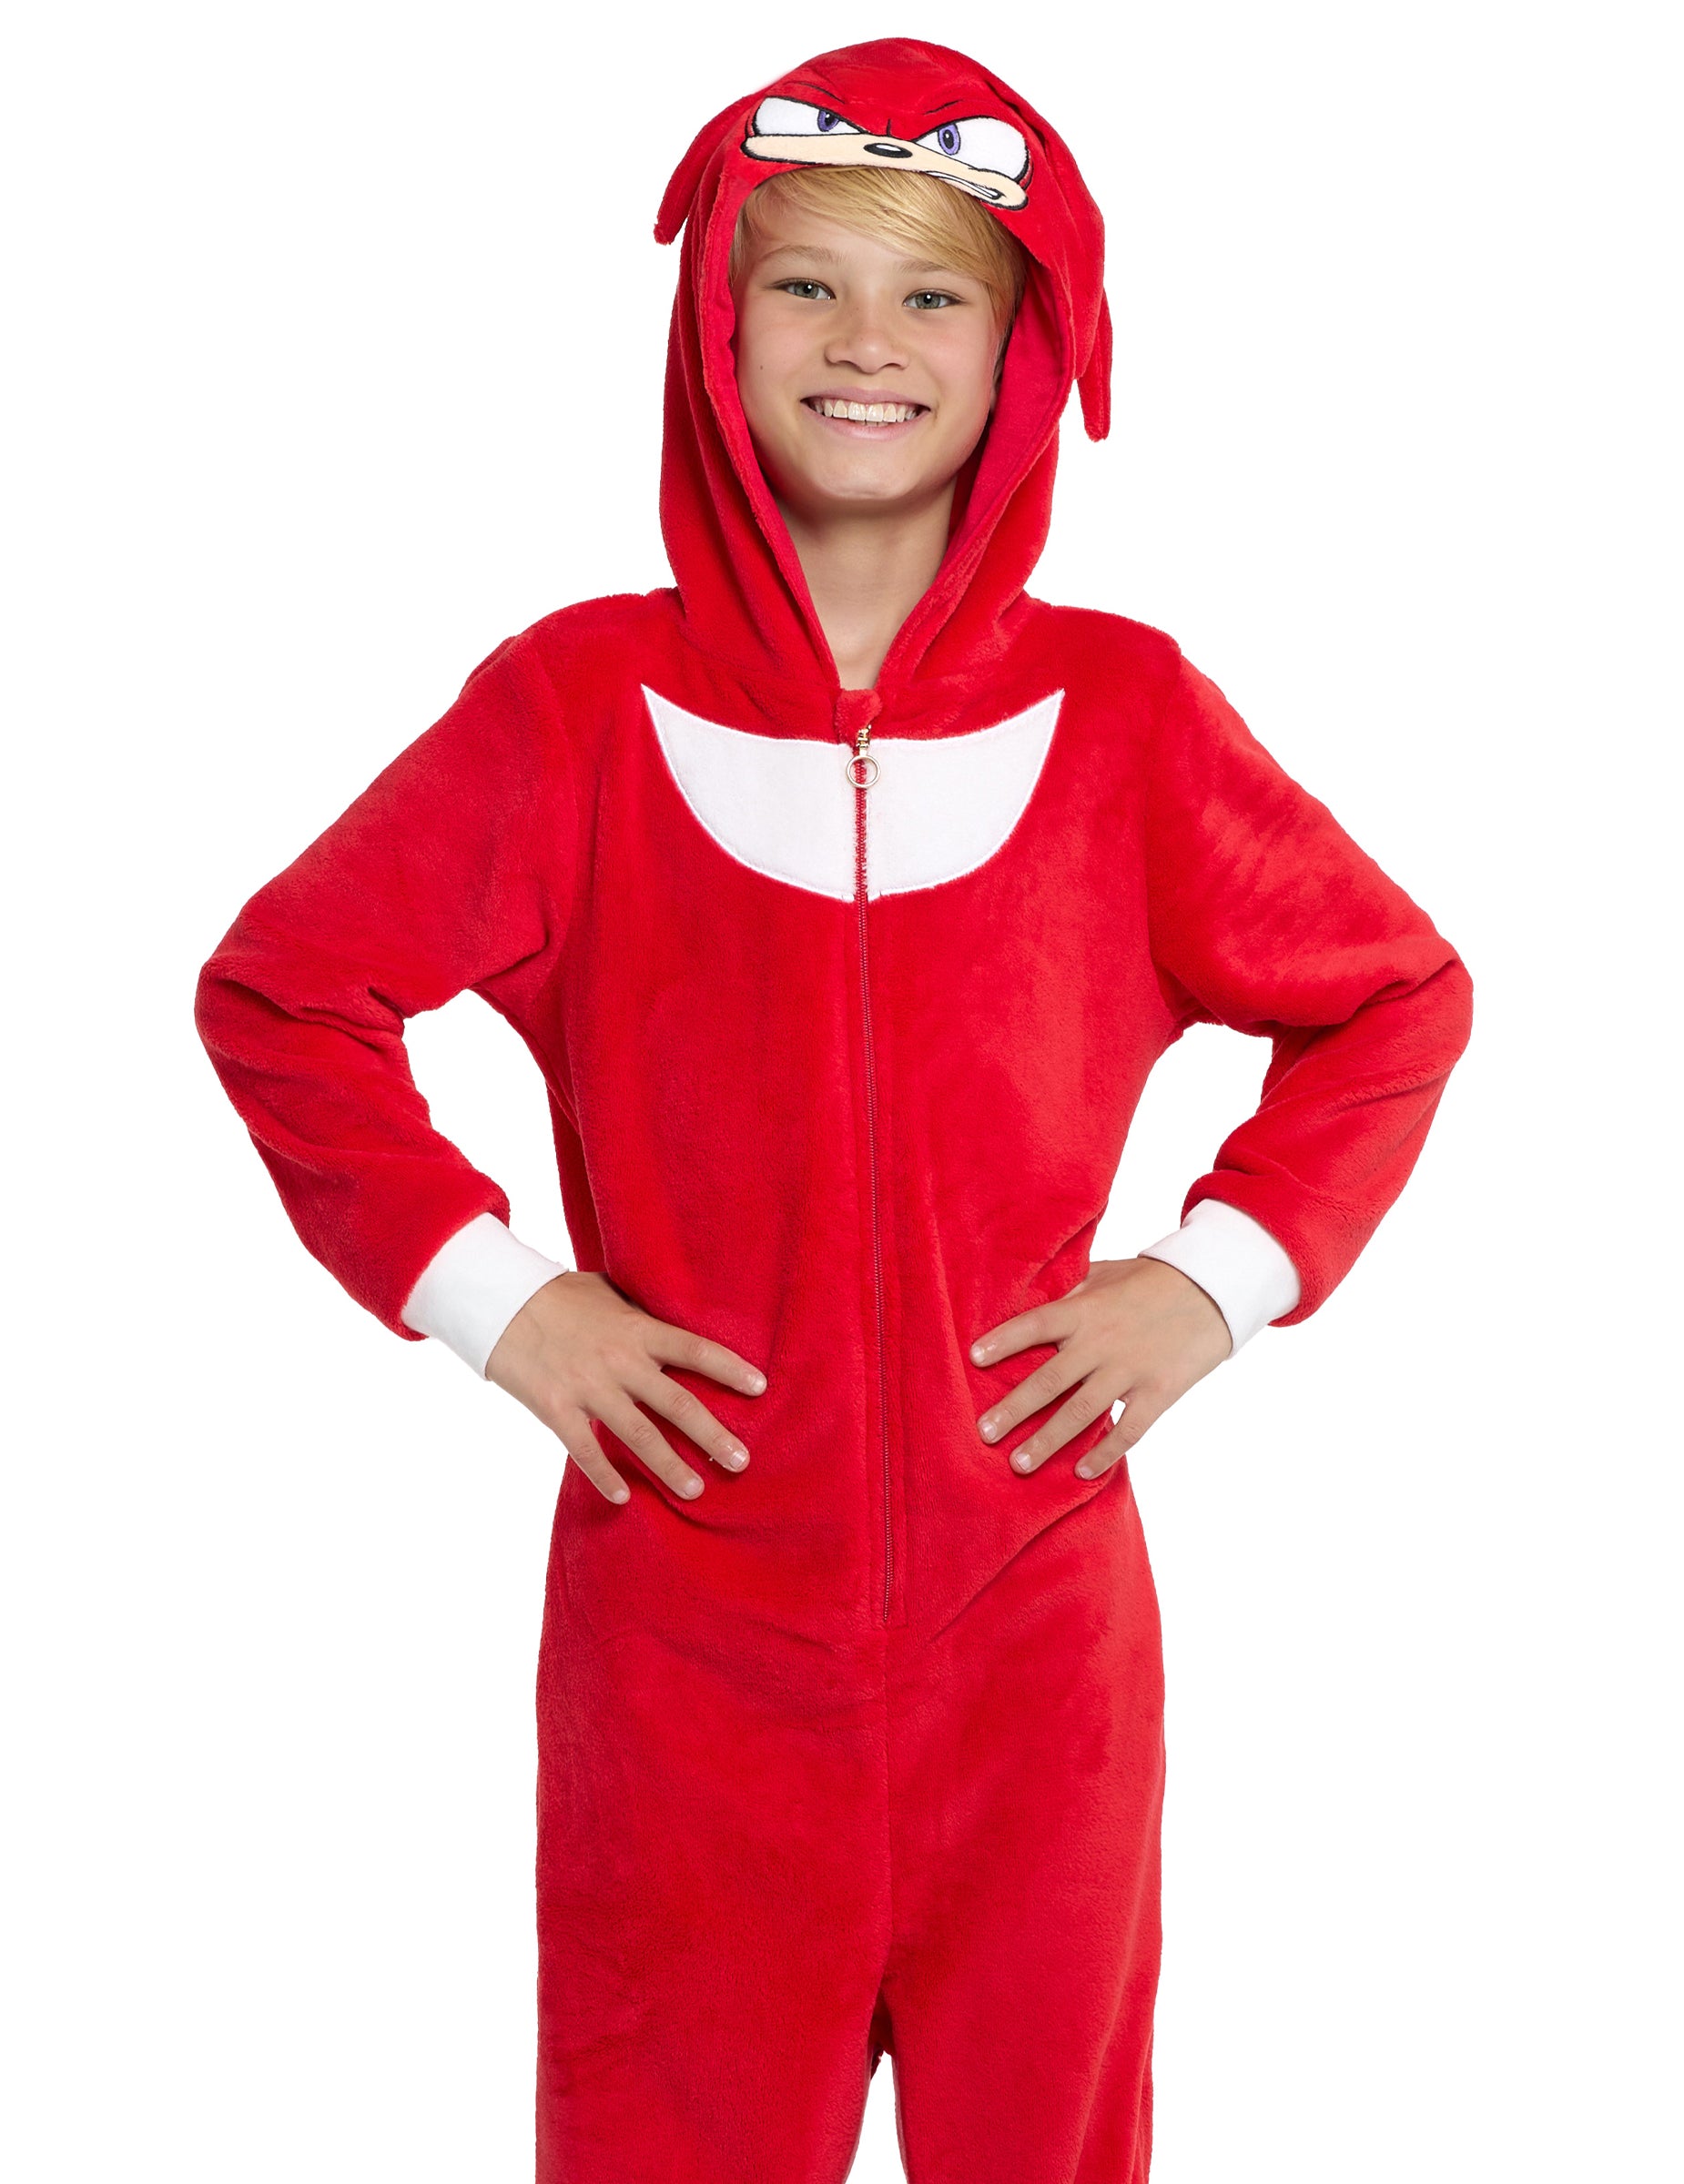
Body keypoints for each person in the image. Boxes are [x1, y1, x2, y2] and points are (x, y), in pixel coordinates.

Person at [194, 35, 1473, 2184]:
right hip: (683, 1644)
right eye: (804, 283)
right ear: (718, 332)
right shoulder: (576, 706)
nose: (865, 338)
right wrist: (503, 1300)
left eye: (931, 291)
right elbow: (283, 994)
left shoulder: (1128, 716)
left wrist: (1213, 1279)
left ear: (1023, 351)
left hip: (1036, 1645)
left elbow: (1395, 1000)